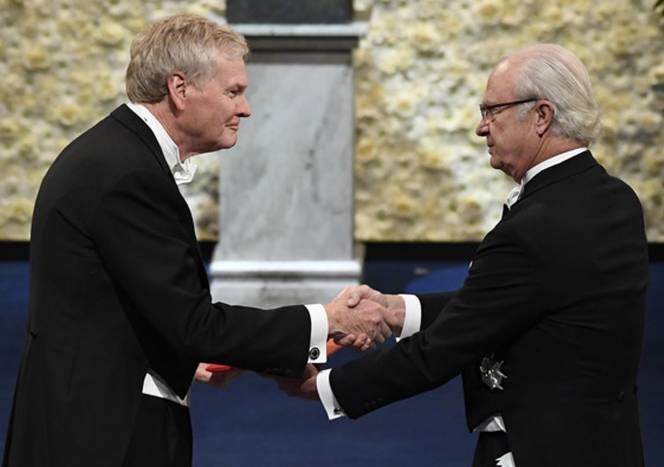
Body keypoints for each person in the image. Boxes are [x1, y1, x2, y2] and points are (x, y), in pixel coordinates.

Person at [2, 14, 390, 467]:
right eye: (233, 91)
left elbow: (124, 304)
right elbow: (194, 325)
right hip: (102, 434)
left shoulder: (116, 155)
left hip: (83, 417)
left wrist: (190, 356)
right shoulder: (128, 175)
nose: (245, 108)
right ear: (179, 89)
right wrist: (327, 321)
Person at [301, 44, 648, 467]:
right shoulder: (615, 199)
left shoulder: (536, 225)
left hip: (536, 449)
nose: (481, 128)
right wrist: (398, 311)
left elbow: (446, 347)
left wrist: (327, 386)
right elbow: (513, 300)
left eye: (491, 111)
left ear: (541, 116)